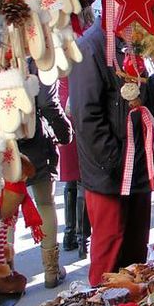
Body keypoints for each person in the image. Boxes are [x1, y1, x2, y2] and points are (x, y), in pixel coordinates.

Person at [69, 18, 154, 286]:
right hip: (109, 173)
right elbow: (86, 117)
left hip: (137, 168)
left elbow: (149, 89)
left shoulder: (131, 42)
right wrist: (117, 161)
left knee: (136, 251)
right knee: (110, 250)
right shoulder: (90, 48)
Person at [17, 68, 73, 288]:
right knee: (45, 204)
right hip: (35, 143)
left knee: (7, 211)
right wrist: (64, 132)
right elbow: (48, 103)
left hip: (4, 143)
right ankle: (51, 271)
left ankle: (5, 272)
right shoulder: (37, 58)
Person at [58, 77, 89, 259]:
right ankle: (82, 239)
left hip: (62, 107)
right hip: (81, 107)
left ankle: (70, 235)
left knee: (71, 178)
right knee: (81, 180)